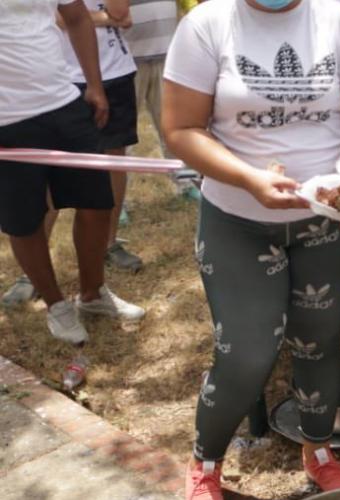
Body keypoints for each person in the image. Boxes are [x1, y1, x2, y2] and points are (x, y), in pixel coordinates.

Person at [162, 0, 340, 500]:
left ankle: (320, 449)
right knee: (244, 351)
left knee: (319, 337)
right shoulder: (206, 25)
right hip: (236, 219)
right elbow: (181, 129)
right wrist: (249, 179)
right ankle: (206, 462)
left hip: (324, 221)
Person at [1, 0, 146, 342]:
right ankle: (57, 307)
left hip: (62, 100)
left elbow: (78, 17)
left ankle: (93, 294)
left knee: (97, 204)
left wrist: (94, 85)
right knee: (25, 220)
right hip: (5, 121)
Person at [53, 0, 146, 274]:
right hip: (60, 77)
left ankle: (109, 243)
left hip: (115, 73)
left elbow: (121, 14)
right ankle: (31, 271)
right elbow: (57, 18)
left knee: (114, 163)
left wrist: (101, 17)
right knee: (51, 170)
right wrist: (103, 17)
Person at [125, 0, 202, 202]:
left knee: (175, 126)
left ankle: (186, 182)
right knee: (122, 134)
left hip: (168, 59)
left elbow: (190, 5)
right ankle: (118, 197)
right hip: (126, 62)